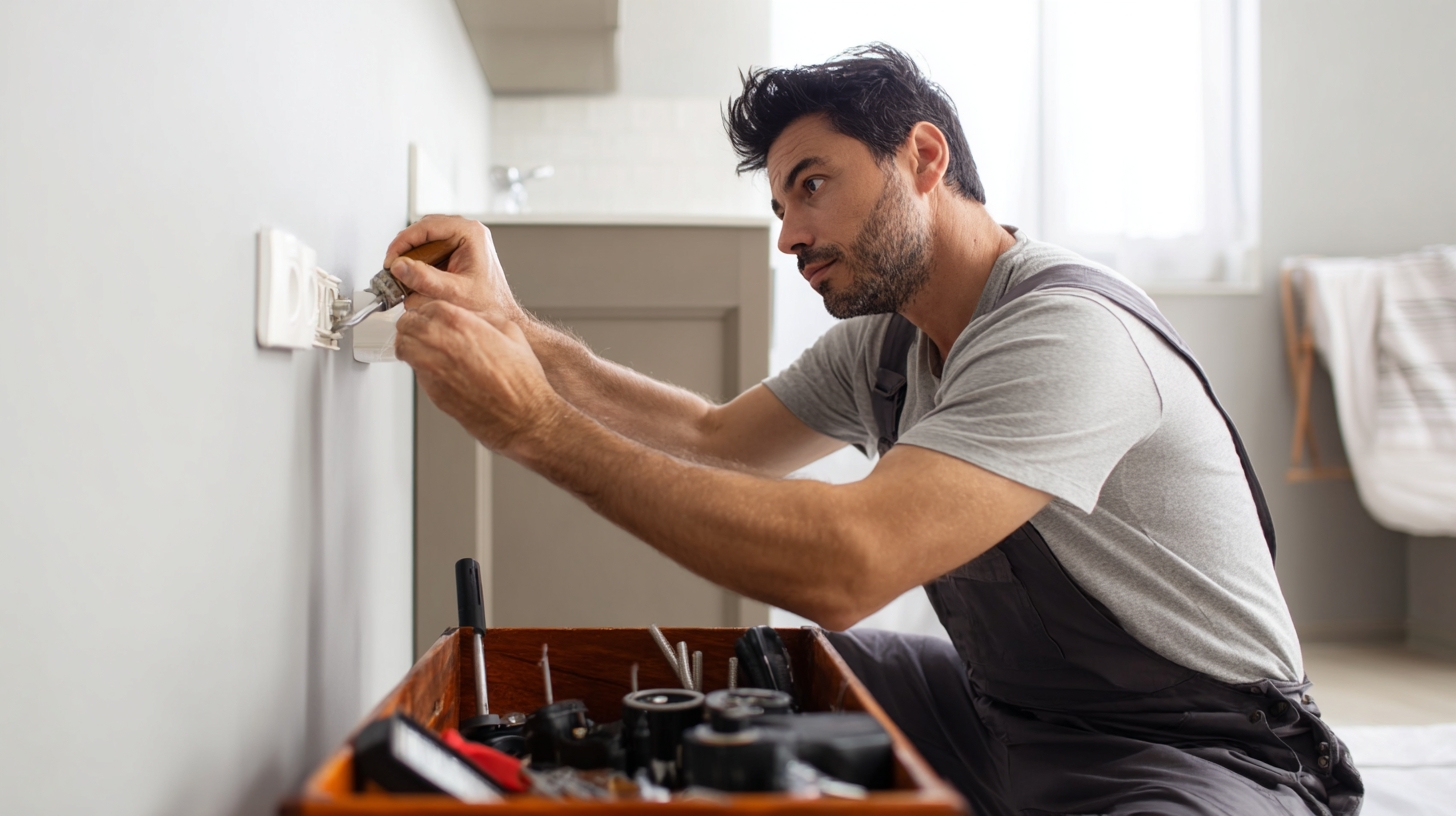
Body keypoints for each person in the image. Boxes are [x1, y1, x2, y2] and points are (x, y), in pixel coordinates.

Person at [387, 44, 1360, 816]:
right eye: (778, 204)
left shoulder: (1065, 331)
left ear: (924, 158)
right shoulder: (887, 345)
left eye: (812, 184)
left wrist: (533, 426)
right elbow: (713, 438)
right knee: (756, 683)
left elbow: (848, 567)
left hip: (1190, 750)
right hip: (1004, 712)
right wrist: (513, 327)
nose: (789, 235)